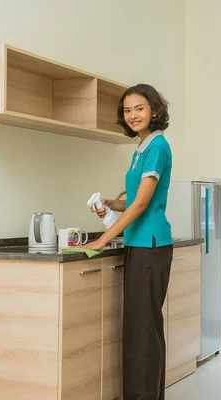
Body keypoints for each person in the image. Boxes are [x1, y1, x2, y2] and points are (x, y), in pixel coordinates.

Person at [81, 83, 173, 400]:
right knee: (139, 330)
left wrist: (102, 239)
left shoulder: (157, 147)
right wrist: (109, 203)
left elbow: (142, 204)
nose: (132, 115)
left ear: (155, 111)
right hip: (139, 245)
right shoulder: (142, 149)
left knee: (144, 332)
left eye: (139, 108)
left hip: (151, 245)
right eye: (127, 110)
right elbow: (132, 199)